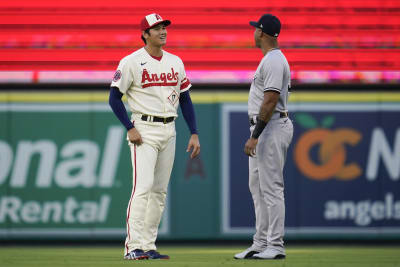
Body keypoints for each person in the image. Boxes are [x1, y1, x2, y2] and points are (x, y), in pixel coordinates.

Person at [108, 13, 200, 260]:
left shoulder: (175, 61)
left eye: (164, 27)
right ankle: (132, 246)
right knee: (143, 188)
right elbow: (114, 98)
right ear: (145, 34)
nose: (162, 31)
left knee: (159, 192)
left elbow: (185, 98)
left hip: (170, 128)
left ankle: (148, 245)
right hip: (144, 129)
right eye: (156, 28)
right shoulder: (131, 62)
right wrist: (129, 126)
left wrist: (194, 132)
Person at [234, 14, 293, 260]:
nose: (253, 33)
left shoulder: (274, 61)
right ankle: (260, 243)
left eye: (255, 29)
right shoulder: (271, 60)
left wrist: (255, 136)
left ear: (262, 33)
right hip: (266, 127)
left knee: (271, 188)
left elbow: (269, 101)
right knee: (257, 188)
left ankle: (275, 245)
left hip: (270, 127)